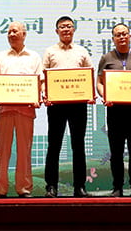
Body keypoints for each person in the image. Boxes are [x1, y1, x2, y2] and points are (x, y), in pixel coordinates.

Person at [42, 16, 94, 198]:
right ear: (56, 31)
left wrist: (90, 93)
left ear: (74, 29)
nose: (66, 29)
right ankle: (51, 186)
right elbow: (43, 78)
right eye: (62, 27)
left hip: (78, 105)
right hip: (56, 105)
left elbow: (89, 75)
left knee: (78, 146)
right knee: (54, 145)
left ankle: (80, 187)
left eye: (69, 26)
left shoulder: (82, 51)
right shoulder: (50, 52)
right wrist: (45, 94)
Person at [0, 21, 42, 198]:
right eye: (9, 32)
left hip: (25, 110)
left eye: (15, 31)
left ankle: (24, 188)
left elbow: (40, 82)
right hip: (4, 109)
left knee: (24, 150)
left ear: (24, 34)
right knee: (3, 150)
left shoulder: (34, 57)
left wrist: (38, 98)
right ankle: (0, 189)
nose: (11, 34)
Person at [96, 23, 131, 197]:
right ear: (113, 38)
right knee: (116, 152)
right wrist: (105, 95)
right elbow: (99, 83)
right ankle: (117, 187)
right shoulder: (106, 58)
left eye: (124, 33)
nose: (122, 37)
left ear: (130, 36)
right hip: (115, 112)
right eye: (118, 35)